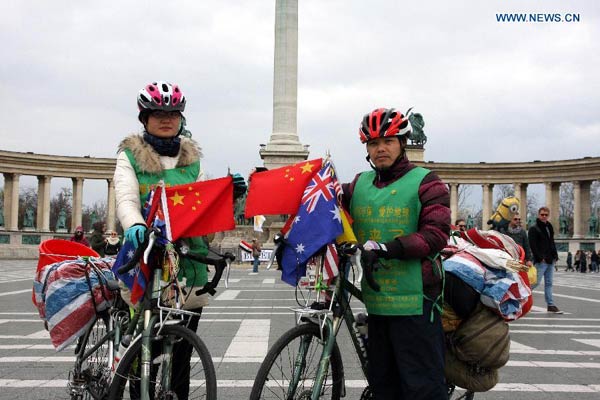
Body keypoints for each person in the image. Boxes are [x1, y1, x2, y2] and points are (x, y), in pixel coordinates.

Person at [113, 81, 246, 398]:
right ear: (144, 118)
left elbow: (204, 213)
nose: (166, 118)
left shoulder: (194, 161)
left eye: (172, 112)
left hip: (187, 266)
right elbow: (126, 198)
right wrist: (134, 224)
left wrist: (230, 201)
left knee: (183, 354)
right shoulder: (129, 157)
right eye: (157, 112)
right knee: (146, 354)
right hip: (146, 261)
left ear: (181, 117)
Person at [341, 107, 450, 399]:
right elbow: (328, 206)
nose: (380, 149)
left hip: (416, 300)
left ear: (402, 143)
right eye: (373, 144)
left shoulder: (428, 182)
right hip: (377, 302)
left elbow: (436, 234)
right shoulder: (358, 184)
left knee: (421, 387)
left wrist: (389, 247)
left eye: (387, 141)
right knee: (383, 386)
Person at [528, 206, 562, 314]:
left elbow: (551, 242)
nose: (544, 216)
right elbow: (532, 245)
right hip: (541, 260)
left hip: (550, 259)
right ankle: (520, 298)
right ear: (538, 215)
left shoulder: (549, 227)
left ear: (548, 215)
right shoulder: (534, 228)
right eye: (542, 214)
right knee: (535, 283)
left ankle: (550, 305)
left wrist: (555, 255)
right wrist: (539, 257)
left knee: (549, 283)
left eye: (546, 215)